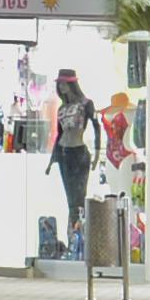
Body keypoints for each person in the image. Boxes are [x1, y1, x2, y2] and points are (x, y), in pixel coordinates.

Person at [46, 69, 99, 262]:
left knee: (79, 197)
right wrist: (52, 159)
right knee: (71, 200)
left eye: (64, 83)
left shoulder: (85, 104)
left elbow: (96, 126)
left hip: (79, 152)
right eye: (59, 84)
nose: (61, 87)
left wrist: (98, 153)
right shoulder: (62, 109)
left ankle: (80, 237)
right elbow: (59, 135)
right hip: (64, 153)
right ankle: (73, 238)